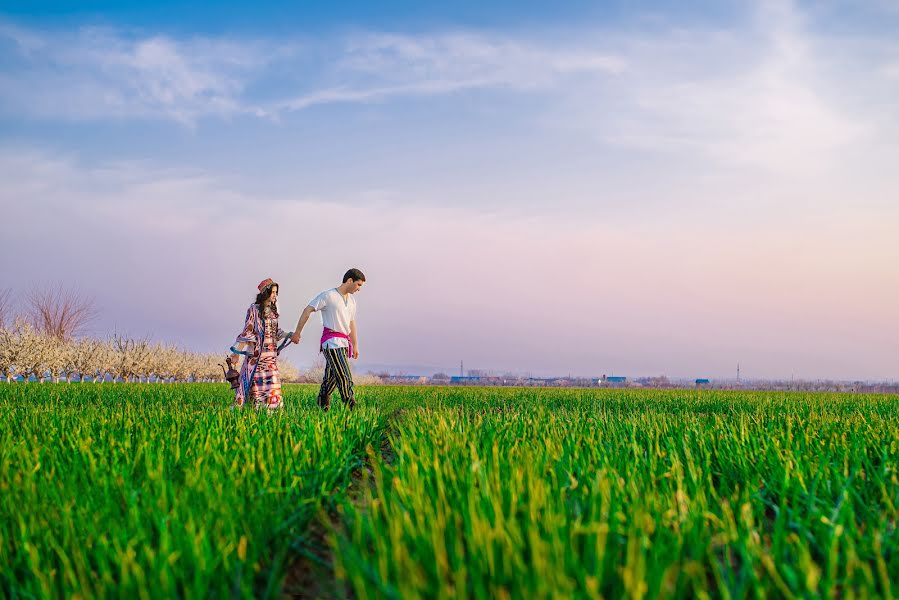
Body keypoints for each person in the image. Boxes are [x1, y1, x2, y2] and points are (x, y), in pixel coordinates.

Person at [291, 268, 365, 410]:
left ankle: (322, 402)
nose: (359, 289)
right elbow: (308, 310)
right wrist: (297, 332)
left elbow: (351, 323)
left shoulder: (352, 301)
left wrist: (355, 345)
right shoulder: (328, 295)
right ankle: (351, 406)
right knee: (343, 374)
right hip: (331, 342)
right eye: (358, 284)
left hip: (344, 343)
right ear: (350, 280)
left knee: (331, 378)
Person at [230, 278, 288, 410]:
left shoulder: (273, 313)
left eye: (276, 292)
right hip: (257, 356)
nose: (275, 295)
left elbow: (276, 332)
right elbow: (248, 332)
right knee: (255, 385)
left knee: (272, 383)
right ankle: (255, 410)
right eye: (273, 292)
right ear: (265, 293)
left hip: (271, 357)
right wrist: (236, 353)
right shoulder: (254, 309)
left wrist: (289, 335)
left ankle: (271, 412)